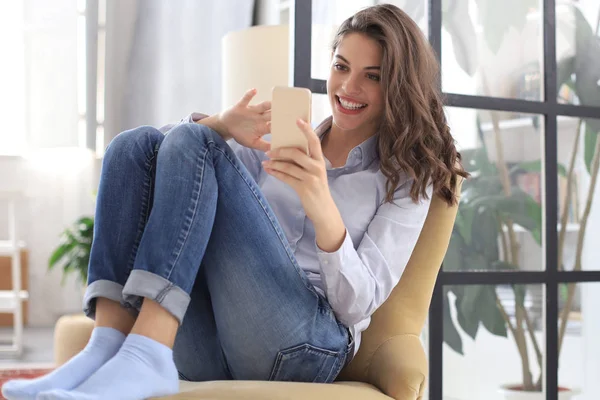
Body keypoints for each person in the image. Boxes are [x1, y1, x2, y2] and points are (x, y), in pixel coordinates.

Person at [3, 4, 467, 400]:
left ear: (399, 86)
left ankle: (144, 354)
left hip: (307, 347)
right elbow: (160, 160)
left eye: (373, 76)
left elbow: (356, 305)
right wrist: (224, 124)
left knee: (195, 142)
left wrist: (321, 204)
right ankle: (108, 343)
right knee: (135, 143)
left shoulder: (408, 178)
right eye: (341, 66)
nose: (347, 88)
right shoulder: (282, 140)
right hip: (215, 345)